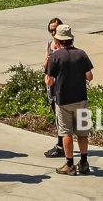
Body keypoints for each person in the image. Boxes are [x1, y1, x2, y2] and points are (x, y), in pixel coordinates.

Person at [45, 24, 94, 176]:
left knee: (66, 133)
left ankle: (70, 164)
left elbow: (49, 81)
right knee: (82, 133)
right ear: (71, 39)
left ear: (58, 40)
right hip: (81, 98)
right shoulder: (81, 54)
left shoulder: (55, 57)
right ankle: (84, 162)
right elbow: (89, 77)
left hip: (63, 100)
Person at [43, 18, 66, 158]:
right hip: (51, 85)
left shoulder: (65, 46)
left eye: (55, 29)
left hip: (61, 86)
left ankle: (61, 145)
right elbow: (45, 63)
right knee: (56, 115)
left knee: (62, 117)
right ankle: (61, 144)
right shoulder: (49, 45)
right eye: (51, 30)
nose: (53, 32)